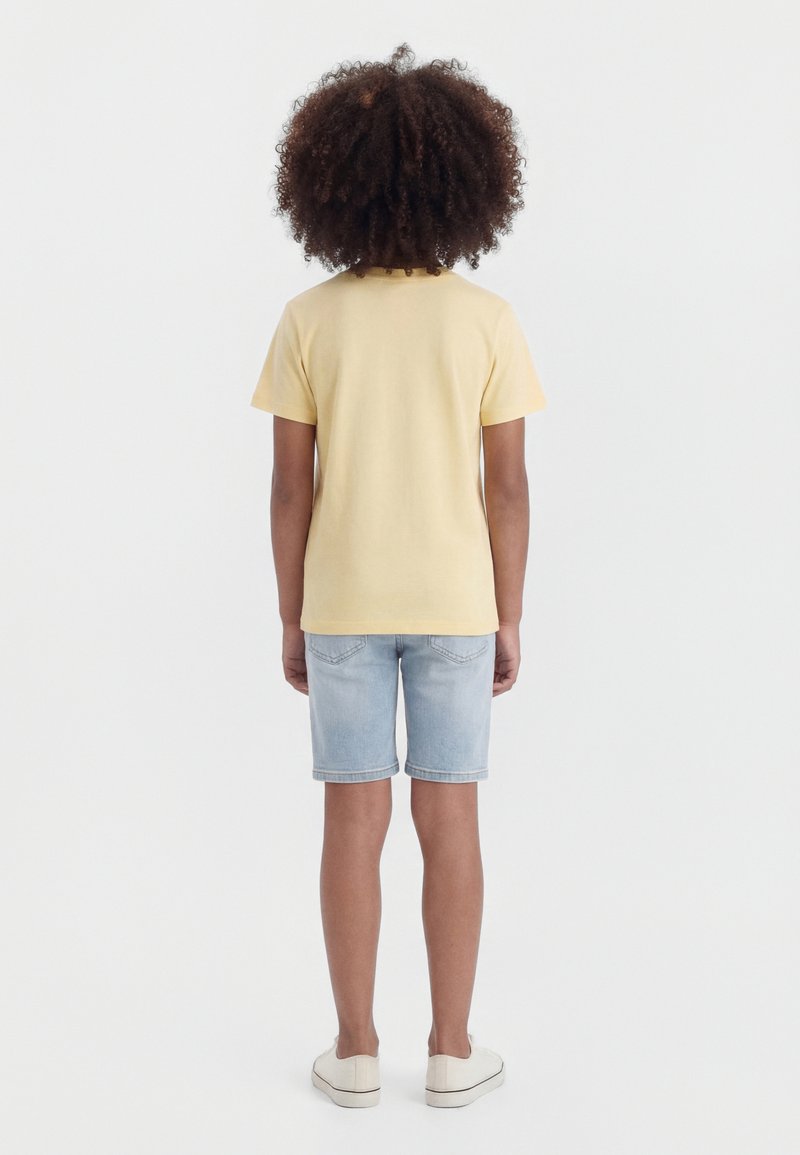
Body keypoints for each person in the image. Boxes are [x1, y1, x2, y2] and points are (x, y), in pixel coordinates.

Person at [250, 42, 547, 1108]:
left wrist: (290, 616)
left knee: (352, 819)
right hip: (458, 604)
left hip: (341, 604)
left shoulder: (309, 319)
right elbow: (506, 490)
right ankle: (454, 1052)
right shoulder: (486, 320)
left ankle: (356, 1050)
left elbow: (290, 492)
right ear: (469, 183)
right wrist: (508, 614)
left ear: (329, 182)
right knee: (450, 817)